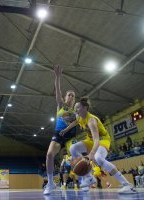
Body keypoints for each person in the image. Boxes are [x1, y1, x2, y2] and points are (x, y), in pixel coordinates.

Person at [61, 97, 136, 193]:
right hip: (90, 140)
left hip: (102, 140)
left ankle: (127, 185)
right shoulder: (78, 116)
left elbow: (96, 140)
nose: (75, 110)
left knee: (99, 159)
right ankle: (89, 177)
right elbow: (76, 122)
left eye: (78, 108)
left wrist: (91, 155)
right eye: (75, 108)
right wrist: (66, 129)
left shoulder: (91, 121)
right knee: (73, 148)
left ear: (85, 108)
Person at [43, 65, 76, 195]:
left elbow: (78, 122)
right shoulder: (61, 104)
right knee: (50, 154)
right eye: (69, 95)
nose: (71, 96)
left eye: (73, 95)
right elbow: (58, 89)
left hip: (71, 136)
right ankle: (51, 183)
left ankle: (86, 177)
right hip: (58, 134)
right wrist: (57, 77)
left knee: (77, 155)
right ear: (65, 97)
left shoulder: (76, 110)